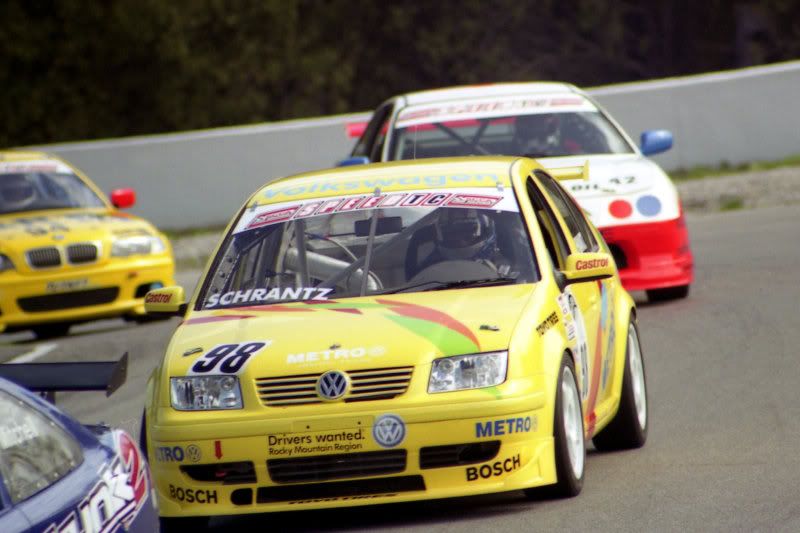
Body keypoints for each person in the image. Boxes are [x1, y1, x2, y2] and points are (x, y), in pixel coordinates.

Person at [409, 208, 514, 279]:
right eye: (451, 233)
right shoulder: (428, 268)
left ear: (486, 230)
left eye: (467, 232)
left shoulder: (509, 266)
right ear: (440, 234)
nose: (459, 239)